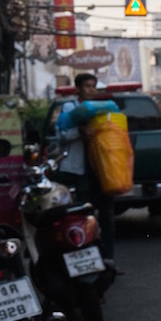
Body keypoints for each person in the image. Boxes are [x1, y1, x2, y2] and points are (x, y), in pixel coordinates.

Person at [52, 73, 119, 262]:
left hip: (102, 172)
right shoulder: (69, 108)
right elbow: (61, 136)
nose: (91, 90)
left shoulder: (101, 109)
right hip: (80, 172)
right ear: (78, 89)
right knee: (82, 217)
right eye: (87, 86)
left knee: (107, 218)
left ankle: (108, 260)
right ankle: (85, 261)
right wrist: (80, 132)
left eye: (93, 86)